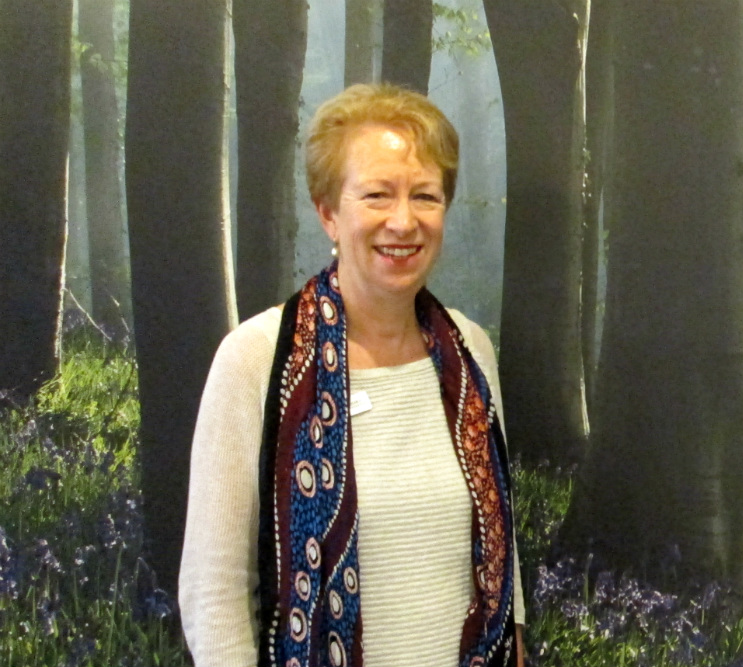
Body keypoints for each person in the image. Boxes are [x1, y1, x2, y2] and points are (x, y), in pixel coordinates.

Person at [179, 83, 525, 667]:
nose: (403, 220)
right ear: (328, 212)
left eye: (425, 196)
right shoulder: (256, 359)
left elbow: (498, 545)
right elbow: (212, 589)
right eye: (376, 195)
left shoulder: (472, 352)